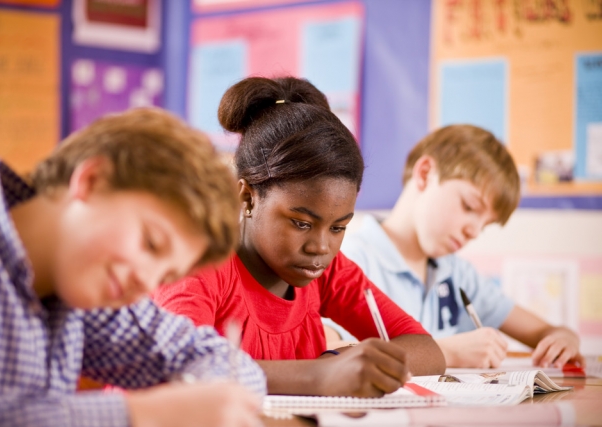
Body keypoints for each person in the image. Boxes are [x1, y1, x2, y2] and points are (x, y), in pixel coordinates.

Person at [0, 108, 266, 427]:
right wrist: (143, 414)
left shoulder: (78, 281)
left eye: (166, 277)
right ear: (92, 181)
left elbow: (211, 358)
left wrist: (207, 398)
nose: (146, 283)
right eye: (150, 243)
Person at [153, 77, 445, 398]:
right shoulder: (201, 264)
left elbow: (426, 349)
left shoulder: (325, 271)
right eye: (301, 223)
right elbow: (178, 369)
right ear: (248, 198)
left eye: (338, 228)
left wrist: (339, 361)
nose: (321, 247)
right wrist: (317, 375)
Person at [328, 124, 584, 369]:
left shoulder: (457, 273)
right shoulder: (351, 259)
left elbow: (545, 331)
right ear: (425, 174)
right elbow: (324, 347)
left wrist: (564, 338)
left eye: (485, 225)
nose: (473, 231)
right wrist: (444, 352)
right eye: (469, 207)